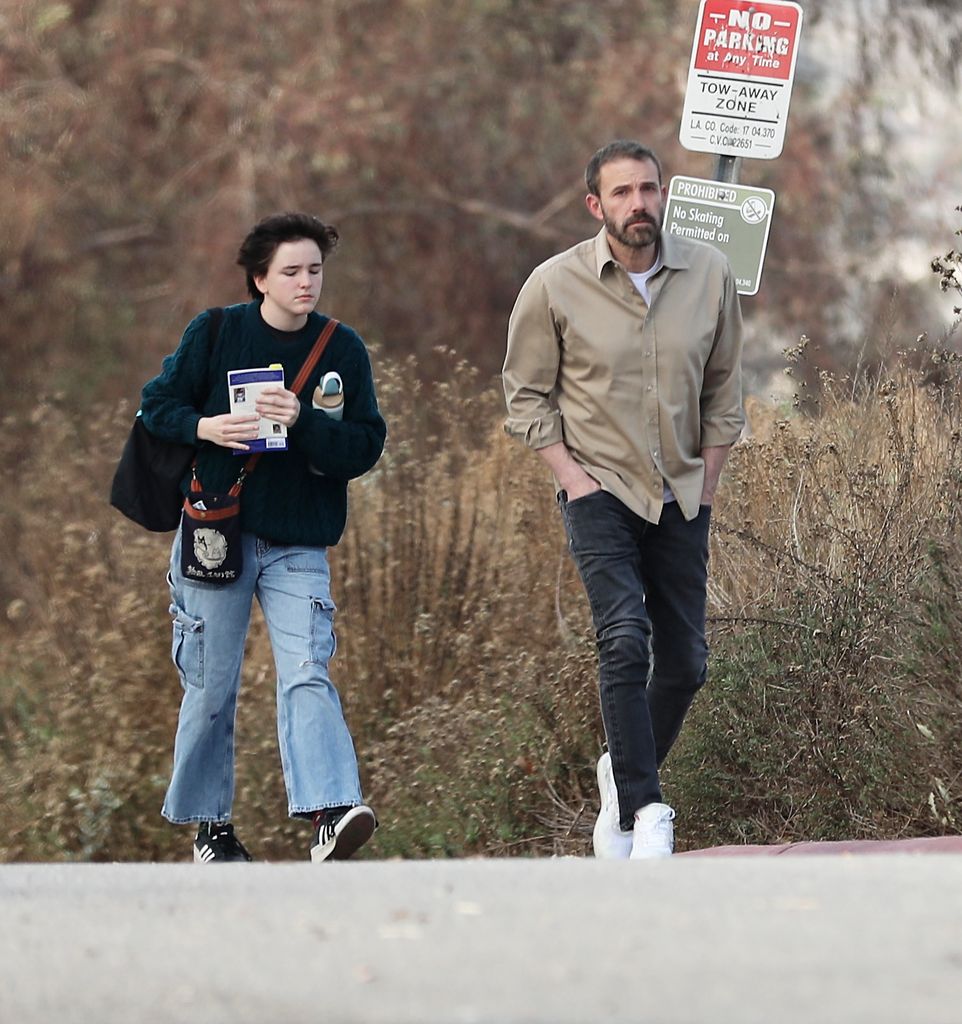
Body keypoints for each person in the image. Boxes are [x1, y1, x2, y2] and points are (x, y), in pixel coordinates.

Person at [502, 141, 744, 859]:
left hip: (682, 491)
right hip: (598, 487)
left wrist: (710, 480)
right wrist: (571, 477)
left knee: (687, 663)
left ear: (663, 193)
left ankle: (622, 767)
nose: (639, 205)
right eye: (623, 193)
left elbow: (725, 389)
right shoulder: (553, 284)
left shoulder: (709, 275)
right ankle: (647, 809)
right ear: (595, 205)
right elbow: (524, 395)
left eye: (648, 189)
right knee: (623, 638)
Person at [141, 212, 387, 863]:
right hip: (216, 536)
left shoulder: (341, 349)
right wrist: (208, 429)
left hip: (298, 541)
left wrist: (305, 422)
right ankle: (209, 829)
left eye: (314, 270)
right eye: (292, 271)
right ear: (261, 279)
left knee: (307, 667)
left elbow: (363, 447)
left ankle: (330, 813)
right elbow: (157, 405)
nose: (306, 283)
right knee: (210, 682)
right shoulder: (216, 332)